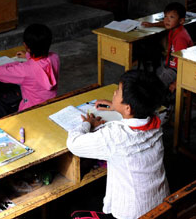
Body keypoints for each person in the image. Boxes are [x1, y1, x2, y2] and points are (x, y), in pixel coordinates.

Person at [66, 70, 170, 219]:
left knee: (75, 211)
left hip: (132, 214)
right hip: (160, 207)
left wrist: (87, 124)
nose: (114, 93)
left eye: (118, 91)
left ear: (128, 108)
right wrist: (118, 107)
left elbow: (73, 143)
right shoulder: (156, 121)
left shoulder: (115, 136)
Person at [0, 23, 59, 118]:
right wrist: (28, 56)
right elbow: (41, 61)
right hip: (51, 105)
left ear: (26, 46)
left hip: (29, 111)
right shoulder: (55, 58)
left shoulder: (25, 70)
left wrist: (18, 63)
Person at [141, 2, 193, 95]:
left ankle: (161, 100)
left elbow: (184, 63)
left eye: (171, 17)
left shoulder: (180, 38)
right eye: (165, 16)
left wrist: (177, 82)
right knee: (153, 75)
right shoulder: (175, 28)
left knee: (155, 85)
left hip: (177, 70)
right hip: (170, 64)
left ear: (181, 21)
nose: (167, 20)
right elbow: (165, 23)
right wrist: (152, 25)